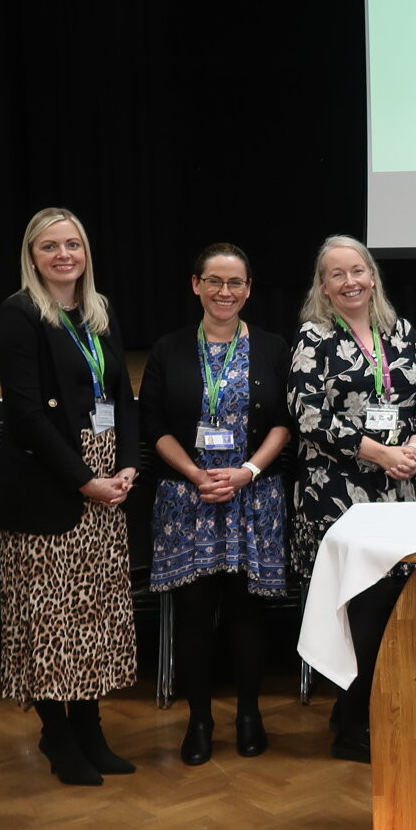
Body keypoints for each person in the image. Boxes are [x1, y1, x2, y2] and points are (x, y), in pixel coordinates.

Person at [0, 208, 141, 787]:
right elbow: (26, 414)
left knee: (95, 614)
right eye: (50, 246)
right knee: (52, 616)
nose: (63, 255)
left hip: (107, 480)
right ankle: (58, 735)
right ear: (32, 255)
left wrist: (128, 462)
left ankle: (91, 727)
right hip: (55, 483)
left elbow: (122, 395)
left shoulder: (97, 313)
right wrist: (85, 480)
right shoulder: (19, 314)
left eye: (72, 244)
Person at [140, 243, 293, 765]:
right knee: (194, 615)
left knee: (248, 612)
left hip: (253, 497)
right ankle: (199, 720)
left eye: (236, 283)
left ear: (249, 290)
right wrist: (194, 473)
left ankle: (249, 713)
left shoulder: (273, 348)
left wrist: (247, 471)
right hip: (188, 500)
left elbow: (284, 421)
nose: (225, 292)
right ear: (196, 285)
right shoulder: (169, 349)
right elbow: (153, 425)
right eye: (214, 281)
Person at [291, 235, 416, 761]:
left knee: (392, 607)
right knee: (361, 607)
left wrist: (414, 447)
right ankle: (356, 726)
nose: (350, 281)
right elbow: (309, 417)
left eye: (358, 270)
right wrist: (381, 453)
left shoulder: (400, 333)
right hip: (338, 494)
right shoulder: (315, 337)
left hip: (399, 491)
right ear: (324, 286)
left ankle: (355, 711)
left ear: (372, 275)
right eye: (337, 274)